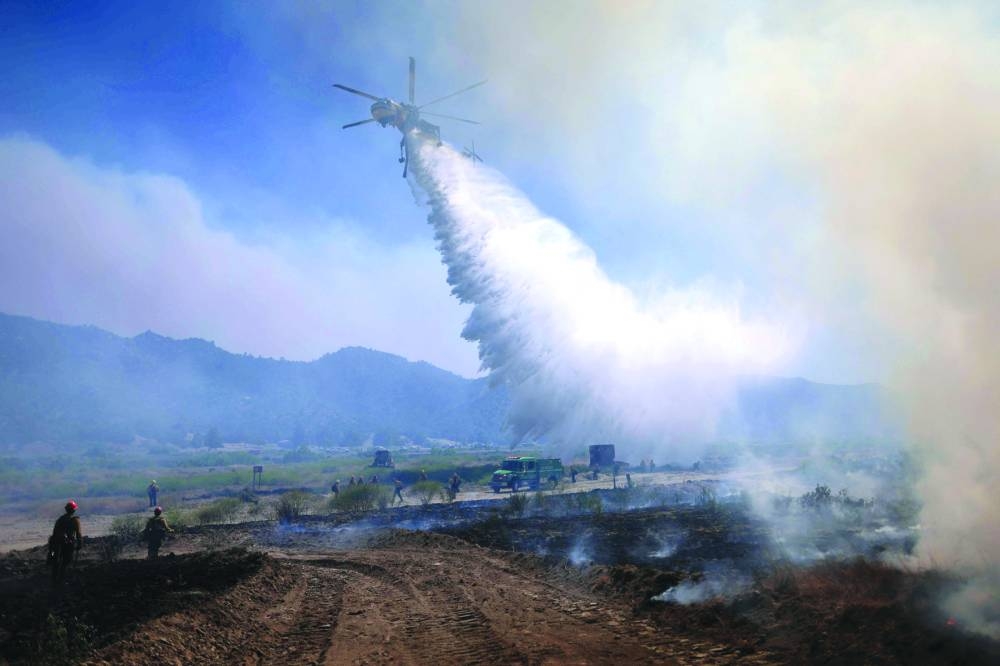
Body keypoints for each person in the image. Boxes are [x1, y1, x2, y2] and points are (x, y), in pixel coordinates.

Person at [49, 501, 82, 584]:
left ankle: (54, 580)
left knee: (56, 561)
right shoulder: (75, 520)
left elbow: (54, 533)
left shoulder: (60, 519)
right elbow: (78, 533)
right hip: (68, 544)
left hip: (57, 543)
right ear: (74, 510)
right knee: (66, 562)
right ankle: (61, 580)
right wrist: (79, 543)